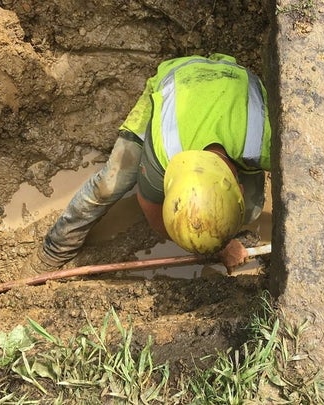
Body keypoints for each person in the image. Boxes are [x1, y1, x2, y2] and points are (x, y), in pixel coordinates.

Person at [27, 53, 271, 274]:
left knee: (249, 210)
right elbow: (151, 206)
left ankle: (222, 226)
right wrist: (220, 247)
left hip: (236, 81)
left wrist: (219, 237)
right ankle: (54, 248)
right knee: (109, 184)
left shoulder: (265, 144)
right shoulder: (163, 151)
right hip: (178, 80)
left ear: (237, 186)